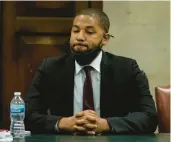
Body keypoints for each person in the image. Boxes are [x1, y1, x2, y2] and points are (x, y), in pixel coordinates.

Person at [24, 8, 157, 135]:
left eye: (89, 32)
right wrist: (62, 123)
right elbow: (27, 116)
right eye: (75, 31)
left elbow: (149, 117)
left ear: (105, 39)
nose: (80, 37)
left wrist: (106, 125)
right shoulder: (50, 68)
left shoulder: (126, 69)